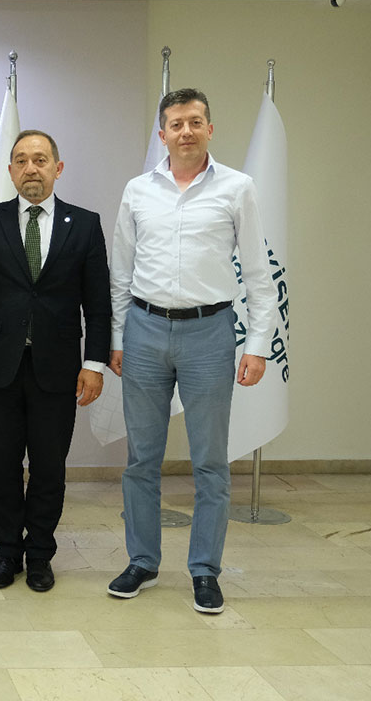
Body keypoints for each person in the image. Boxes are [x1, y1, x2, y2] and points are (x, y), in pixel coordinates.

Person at [107, 88, 278, 614]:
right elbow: (120, 273)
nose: (186, 131)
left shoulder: (237, 187)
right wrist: (117, 338)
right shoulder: (138, 190)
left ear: (209, 129)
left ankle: (205, 569)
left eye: (195, 122)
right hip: (144, 332)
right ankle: (142, 561)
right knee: (142, 459)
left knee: (210, 461)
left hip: (210, 334)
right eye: (176, 124)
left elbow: (258, 274)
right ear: (162, 134)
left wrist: (257, 344)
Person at [0, 129, 111, 592]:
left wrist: (94, 364)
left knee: (49, 467)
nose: (31, 168)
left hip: (58, 369)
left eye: (40, 160)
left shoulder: (85, 224)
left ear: (57, 168)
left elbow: (98, 304)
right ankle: (6, 553)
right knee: (1, 466)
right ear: (10, 171)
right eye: (21, 160)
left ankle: (40, 554)